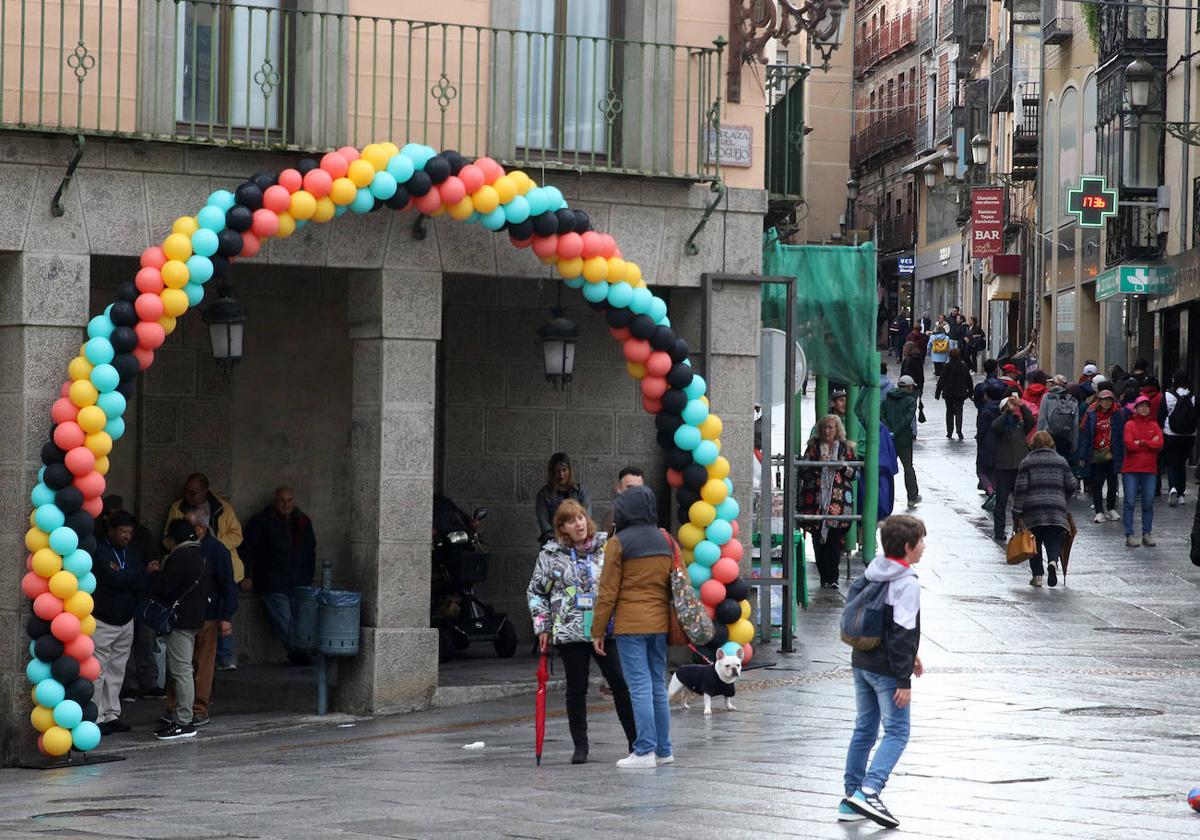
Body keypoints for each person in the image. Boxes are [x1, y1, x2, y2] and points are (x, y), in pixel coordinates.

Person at [527, 500, 637, 764]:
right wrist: (542, 625)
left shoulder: (607, 547)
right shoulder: (550, 555)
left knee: (619, 683)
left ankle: (636, 742)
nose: (578, 524)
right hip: (570, 629)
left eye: (581, 517)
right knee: (576, 688)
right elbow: (536, 592)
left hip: (604, 629)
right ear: (562, 527)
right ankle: (580, 746)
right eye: (571, 520)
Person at [839, 514, 925, 829]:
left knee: (864, 729)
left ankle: (850, 798)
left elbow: (886, 624)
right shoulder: (906, 581)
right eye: (921, 542)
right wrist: (903, 679)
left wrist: (911, 654)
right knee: (898, 731)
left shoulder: (875, 570)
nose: (924, 547)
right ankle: (870, 790)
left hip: (861, 660)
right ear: (907, 546)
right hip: (887, 669)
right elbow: (902, 631)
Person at [590, 485, 673, 769]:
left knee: (638, 686)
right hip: (660, 622)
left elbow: (608, 591)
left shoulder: (619, 542)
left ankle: (644, 750)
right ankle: (664, 749)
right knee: (657, 685)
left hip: (629, 625)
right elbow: (679, 582)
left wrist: (597, 630)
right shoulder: (666, 540)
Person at [165, 507, 237, 728]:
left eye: (189, 525)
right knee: (180, 665)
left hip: (208, 615)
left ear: (200, 527)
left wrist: (226, 616)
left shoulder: (216, 550)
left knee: (201, 666)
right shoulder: (189, 549)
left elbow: (228, 585)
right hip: (191, 613)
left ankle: (198, 708)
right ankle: (176, 706)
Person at [163, 473, 244, 670]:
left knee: (223, 605)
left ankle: (224, 656)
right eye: (186, 492)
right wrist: (186, 546)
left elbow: (237, 534)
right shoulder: (178, 508)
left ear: (205, 492)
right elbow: (168, 537)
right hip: (192, 568)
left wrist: (214, 545)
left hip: (220, 559)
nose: (188, 496)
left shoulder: (222, 507)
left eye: (193, 492)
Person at [91, 511, 153, 734]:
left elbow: (145, 577)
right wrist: (135, 574)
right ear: (111, 531)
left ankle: (111, 712)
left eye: (130, 532)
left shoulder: (133, 552)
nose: (127, 536)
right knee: (98, 669)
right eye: (123, 531)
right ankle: (95, 715)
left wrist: (131, 574)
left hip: (126, 619)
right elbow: (113, 579)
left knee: (117, 669)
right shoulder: (101, 551)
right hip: (103, 619)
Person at [242, 486, 318, 665]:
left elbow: (310, 551)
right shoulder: (261, 522)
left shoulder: (302, 522)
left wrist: (309, 576)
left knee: (299, 620)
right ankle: (299, 652)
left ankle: (301, 652)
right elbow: (248, 550)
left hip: (299, 581)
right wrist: (248, 575)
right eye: (282, 500)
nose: (286, 504)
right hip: (272, 581)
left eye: (289, 500)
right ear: (275, 501)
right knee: (285, 619)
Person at [151, 519, 210, 741]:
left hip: (180, 620)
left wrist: (155, 574)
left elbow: (167, 588)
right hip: (196, 618)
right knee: (185, 667)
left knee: (181, 669)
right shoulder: (201, 554)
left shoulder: (180, 556)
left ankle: (185, 721)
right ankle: (184, 717)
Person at [799, 415, 859, 590]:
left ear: (837, 429)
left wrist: (841, 467)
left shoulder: (845, 449)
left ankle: (832, 577)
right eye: (824, 427)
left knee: (834, 540)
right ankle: (824, 576)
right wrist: (817, 465)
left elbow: (856, 474)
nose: (827, 431)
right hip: (815, 502)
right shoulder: (813, 448)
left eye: (831, 428)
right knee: (818, 539)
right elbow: (803, 471)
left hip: (838, 504)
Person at [1012, 432, 1078, 587]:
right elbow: (1072, 484)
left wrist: (1016, 512)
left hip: (1032, 510)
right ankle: (1053, 562)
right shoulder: (1060, 461)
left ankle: (1037, 576)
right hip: (1056, 509)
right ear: (1051, 443)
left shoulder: (1027, 462)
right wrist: (1063, 499)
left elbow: (1020, 489)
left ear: (1033, 444)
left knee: (1034, 543)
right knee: (1053, 539)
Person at [990, 391, 1034, 543]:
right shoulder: (999, 423)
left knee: (1020, 502)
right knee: (1001, 502)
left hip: (1019, 468)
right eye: (1009, 408)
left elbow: (1030, 421)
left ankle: (1020, 529)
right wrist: (1006, 412)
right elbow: (996, 427)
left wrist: (1021, 406)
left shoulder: (1019, 425)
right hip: (1003, 468)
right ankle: (999, 530)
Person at [1122, 395, 1163, 547]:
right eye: (1141, 406)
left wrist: (1141, 442)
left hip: (1149, 469)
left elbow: (1159, 444)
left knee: (1148, 503)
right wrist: (1149, 443)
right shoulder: (1129, 425)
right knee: (1130, 502)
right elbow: (1129, 445)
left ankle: (1147, 533)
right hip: (1132, 469)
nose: (1144, 408)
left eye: (1147, 406)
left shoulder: (1154, 424)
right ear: (1136, 408)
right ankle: (1129, 534)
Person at [1077, 389, 1123, 523]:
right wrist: (1082, 455)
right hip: (1096, 453)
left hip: (1112, 453)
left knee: (1112, 482)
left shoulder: (1117, 415)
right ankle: (1099, 511)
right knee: (1096, 483)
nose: (1107, 403)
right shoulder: (1091, 415)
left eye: (1109, 400)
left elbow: (1120, 435)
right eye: (1104, 400)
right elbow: (1085, 435)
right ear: (1099, 401)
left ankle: (1111, 507)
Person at [535, 453, 592, 545]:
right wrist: (559, 541)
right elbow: (544, 523)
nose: (561, 474)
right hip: (553, 543)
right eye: (557, 471)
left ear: (569, 470)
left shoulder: (580, 492)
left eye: (564, 470)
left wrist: (574, 538)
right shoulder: (544, 494)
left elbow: (586, 517)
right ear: (552, 472)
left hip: (578, 542)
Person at [883, 375, 920, 508]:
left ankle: (884, 496)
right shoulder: (910, 400)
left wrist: (889, 430)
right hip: (904, 439)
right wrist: (897, 431)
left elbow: (882, 414)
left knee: (887, 468)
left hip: (889, 439)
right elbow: (908, 419)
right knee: (908, 468)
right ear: (909, 387)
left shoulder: (888, 398)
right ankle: (912, 496)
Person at [1160, 371, 1196, 505]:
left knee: (1172, 463)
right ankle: (1181, 494)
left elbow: (1162, 415)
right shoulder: (1193, 397)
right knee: (1182, 463)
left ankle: (1173, 487)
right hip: (1189, 435)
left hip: (1171, 434)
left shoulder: (1168, 395)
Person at [1037, 375, 1080, 463]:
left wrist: (1039, 440)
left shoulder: (1047, 397)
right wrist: (1074, 445)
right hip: (1066, 439)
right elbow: (1075, 426)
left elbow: (1041, 419)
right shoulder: (1072, 400)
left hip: (1048, 438)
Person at [934, 348, 972, 440]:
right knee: (959, 411)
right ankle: (959, 431)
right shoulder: (963, 366)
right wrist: (970, 392)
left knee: (949, 412)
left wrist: (938, 392)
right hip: (960, 393)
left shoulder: (946, 366)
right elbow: (969, 380)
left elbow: (941, 380)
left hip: (948, 393)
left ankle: (949, 432)